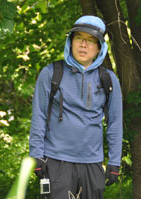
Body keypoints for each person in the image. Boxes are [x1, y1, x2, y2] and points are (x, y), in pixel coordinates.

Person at [29, 15, 123, 199]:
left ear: (99, 48)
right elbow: (38, 116)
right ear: (70, 42)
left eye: (90, 40)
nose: (83, 45)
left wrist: (114, 161)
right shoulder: (51, 73)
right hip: (56, 160)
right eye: (79, 38)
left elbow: (115, 122)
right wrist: (36, 155)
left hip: (92, 162)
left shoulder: (108, 79)